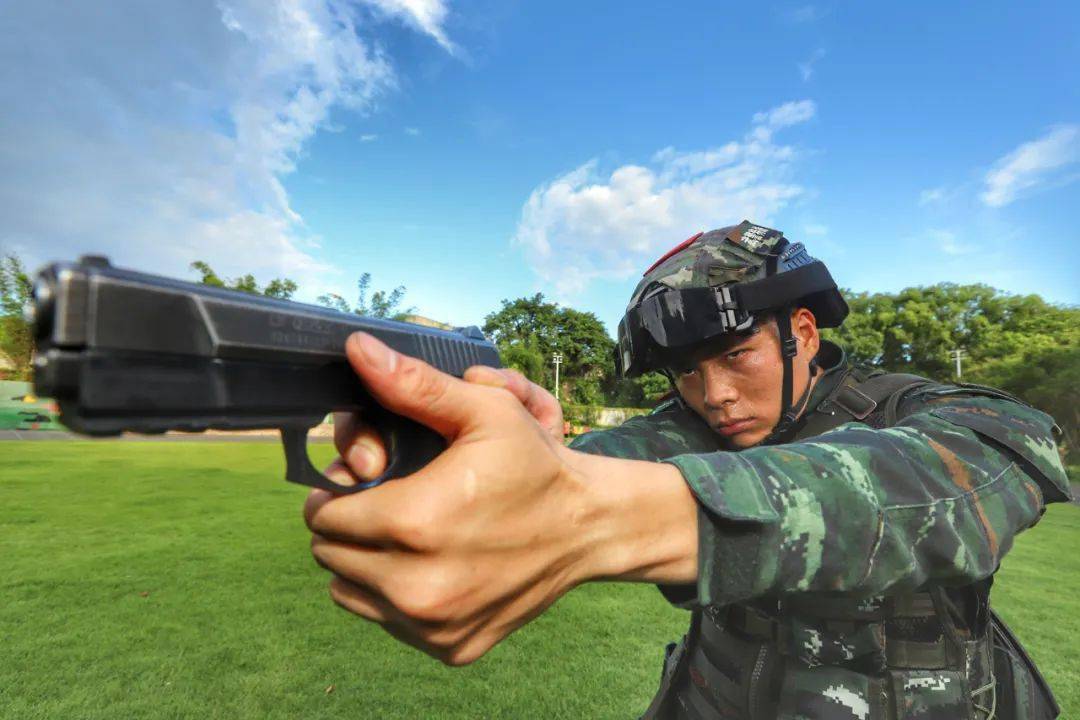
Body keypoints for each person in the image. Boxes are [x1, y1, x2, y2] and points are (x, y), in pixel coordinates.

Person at [303, 221, 1071, 719]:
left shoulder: (925, 409)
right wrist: (455, 448)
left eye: (735, 356)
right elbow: (569, 467)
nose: (716, 397)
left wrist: (602, 516)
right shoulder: (692, 425)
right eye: (688, 375)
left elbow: (954, 479)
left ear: (801, 332)